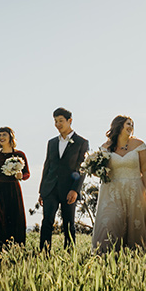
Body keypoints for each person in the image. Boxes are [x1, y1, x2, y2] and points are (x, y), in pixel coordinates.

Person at [92, 115, 146, 255]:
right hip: (111, 191)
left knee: (135, 226)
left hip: (135, 190)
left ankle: (138, 255)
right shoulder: (105, 147)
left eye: (132, 124)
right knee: (110, 222)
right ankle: (107, 255)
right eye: (127, 124)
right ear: (118, 125)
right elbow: (98, 171)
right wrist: (94, 168)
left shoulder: (139, 145)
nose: (130, 127)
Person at [38, 108, 89, 252]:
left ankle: (69, 254)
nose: (57, 124)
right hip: (50, 188)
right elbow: (47, 166)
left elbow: (82, 167)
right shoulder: (52, 142)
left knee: (68, 224)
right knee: (47, 221)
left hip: (69, 189)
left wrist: (75, 189)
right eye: (55, 121)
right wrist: (42, 190)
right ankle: (44, 253)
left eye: (61, 120)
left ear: (69, 121)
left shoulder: (82, 142)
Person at [0, 127, 30, 249]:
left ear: (10, 137)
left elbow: (27, 173)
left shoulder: (20, 154)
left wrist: (21, 176)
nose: (1, 137)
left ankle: (12, 248)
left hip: (13, 189)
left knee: (12, 219)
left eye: (4, 135)